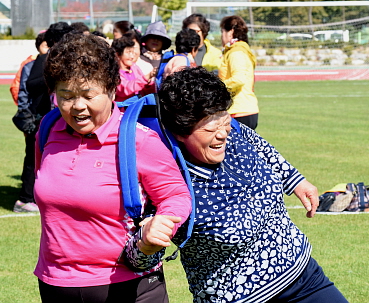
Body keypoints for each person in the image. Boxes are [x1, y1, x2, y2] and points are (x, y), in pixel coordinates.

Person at [134, 67, 346, 303]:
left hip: (304, 277)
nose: (223, 133)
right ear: (180, 132)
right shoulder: (167, 180)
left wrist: (295, 179)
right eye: (210, 128)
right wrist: (145, 244)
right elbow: (137, 258)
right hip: (238, 297)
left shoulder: (234, 132)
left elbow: (262, 147)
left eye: (224, 120)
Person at [34, 32, 191, 303]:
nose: (77, 106)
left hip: (128, 286)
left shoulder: (138, 139)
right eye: (66, 95)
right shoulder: (48, 130)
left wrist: (162, 225)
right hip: (54, 283)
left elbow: (176, 196)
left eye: (88, 94)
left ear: (111, 88)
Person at [13, 22, 73, 213]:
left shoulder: (58, 60)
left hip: (54, 118)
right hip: (41, 119)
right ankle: (25, 198)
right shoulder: (46, 60)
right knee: (35, 159)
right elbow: (30, 86)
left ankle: (47, 197)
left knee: (52, 159)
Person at [219, 15, 259, 130]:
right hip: (241, 109)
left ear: (230, 32)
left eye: (222, 32)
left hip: (239, 110)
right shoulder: (237, 50)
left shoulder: (236, 53)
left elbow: (239, 79)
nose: (221, 36)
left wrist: (218, 88)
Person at [111, 35, 155, 102]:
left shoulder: (135, 68)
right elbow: (124, 89)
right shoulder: (114, 72)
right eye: (128, 53)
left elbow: (145, 90)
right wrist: (146, 78)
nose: (132, 56)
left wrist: (148, 85)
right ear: (118, 54)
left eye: (133, 53)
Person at [10, 31, 48, 105]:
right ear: (38, 47)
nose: (49, 50)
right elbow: (17, 86)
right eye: (46, 46)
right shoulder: (29, 64)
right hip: (34, 108)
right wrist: (24, 107)